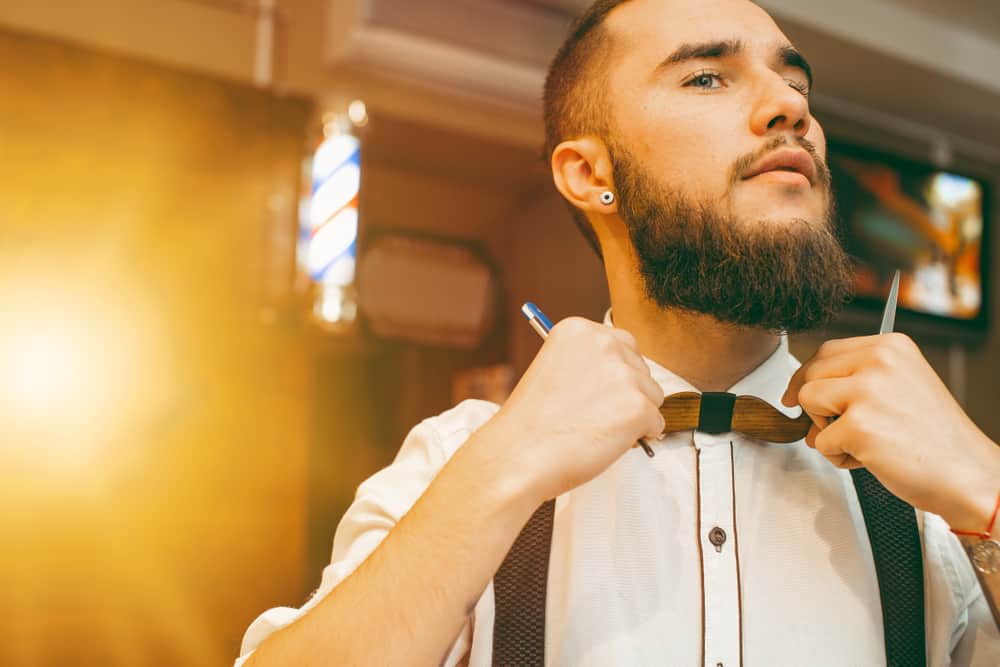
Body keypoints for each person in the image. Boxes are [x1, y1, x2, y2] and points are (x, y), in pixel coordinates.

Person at [237, 0, 1000, 664]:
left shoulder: (932, 502)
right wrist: (505, 466)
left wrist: (989, 492)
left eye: (796, 83)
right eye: (707, 77)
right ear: (586, 172)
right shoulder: (460, 459)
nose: (790, 108)